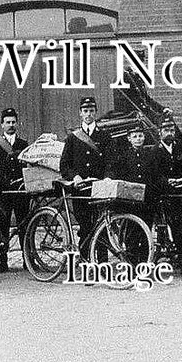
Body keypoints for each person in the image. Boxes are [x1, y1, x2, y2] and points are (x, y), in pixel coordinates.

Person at [58, 96, 117, 250]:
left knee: (101, 225)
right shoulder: (72, 138)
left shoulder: (105, 136)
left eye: (91, 111)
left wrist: (108, 178)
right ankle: (85, 261)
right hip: (80, 188)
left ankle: (102, 264)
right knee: (85, 225)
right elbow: (64, 164)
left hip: (99, 187)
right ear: (80, 113)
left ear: (96, 112)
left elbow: (111, 161)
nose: (89, 114)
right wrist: (74, 176)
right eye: (85, 111)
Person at [0, 108, 29, 273]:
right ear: (2, 125)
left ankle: (27, 260)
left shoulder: (23, 145)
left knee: (25, 225)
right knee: (2, 227)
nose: (11, 125)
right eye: (7, 122)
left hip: (20, 191)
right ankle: (3, 261)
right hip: (3, 193)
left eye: (13, 122)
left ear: (17, 123)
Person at [148, 115, 182, 258]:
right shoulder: (155, 151)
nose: (170, 133)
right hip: (166, 195)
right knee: (174, 223)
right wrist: (166, 181)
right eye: (166, 130)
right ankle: (175, 251)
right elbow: (154, 174)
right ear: (160, 132)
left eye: (172, 130)